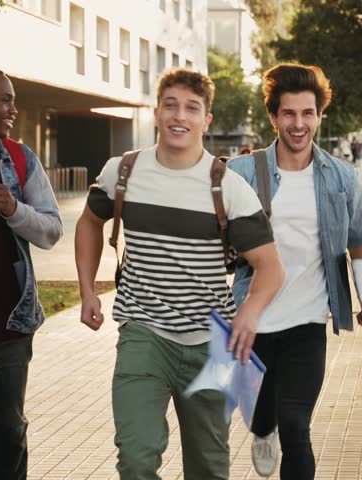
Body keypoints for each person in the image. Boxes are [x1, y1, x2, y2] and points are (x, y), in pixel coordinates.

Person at [75, 68, 284, 479]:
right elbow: (87, 223)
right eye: (170, 105)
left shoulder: (227, 186)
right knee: (136, 458)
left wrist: (250, 312)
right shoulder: (123, 171)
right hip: (143, 333)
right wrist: (87, 290)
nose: (179, 116)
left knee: (208, 467)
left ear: (206, 120)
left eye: (192, 108)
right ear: (156, 113)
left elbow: (270, 267)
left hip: (211, 343)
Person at [226, 63, 362, 480]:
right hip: (253, 316)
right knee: (262, 413)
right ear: (274, 117)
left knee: (296, 425)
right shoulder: (242, 173)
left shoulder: (340, 177)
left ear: (319, 116)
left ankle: (276, 432)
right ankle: (261, 431)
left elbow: (359, 237)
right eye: (289, 114)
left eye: (307, 114)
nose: (299, 124)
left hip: (309, 319)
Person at [0, 64, 63, 480]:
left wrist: (14, 209)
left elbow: (52, 230)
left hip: (10, 327)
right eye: (3, 99)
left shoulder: (20, 159)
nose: (12, 109)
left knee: (6, 433)